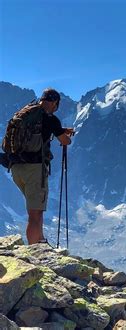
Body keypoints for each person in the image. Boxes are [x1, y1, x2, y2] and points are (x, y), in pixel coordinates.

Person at [9, 88, 74, 245]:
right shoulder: (50, 119)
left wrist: (60, 130)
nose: (56, 108)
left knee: (36, 209)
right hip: (34, 168)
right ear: (54, 103)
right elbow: (65, 141)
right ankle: (35, 251)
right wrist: (66, 136)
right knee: (35, 213)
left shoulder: (28, 112)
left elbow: (45, 130)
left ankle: (40, 241)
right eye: (56, 105)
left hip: (16, 167)